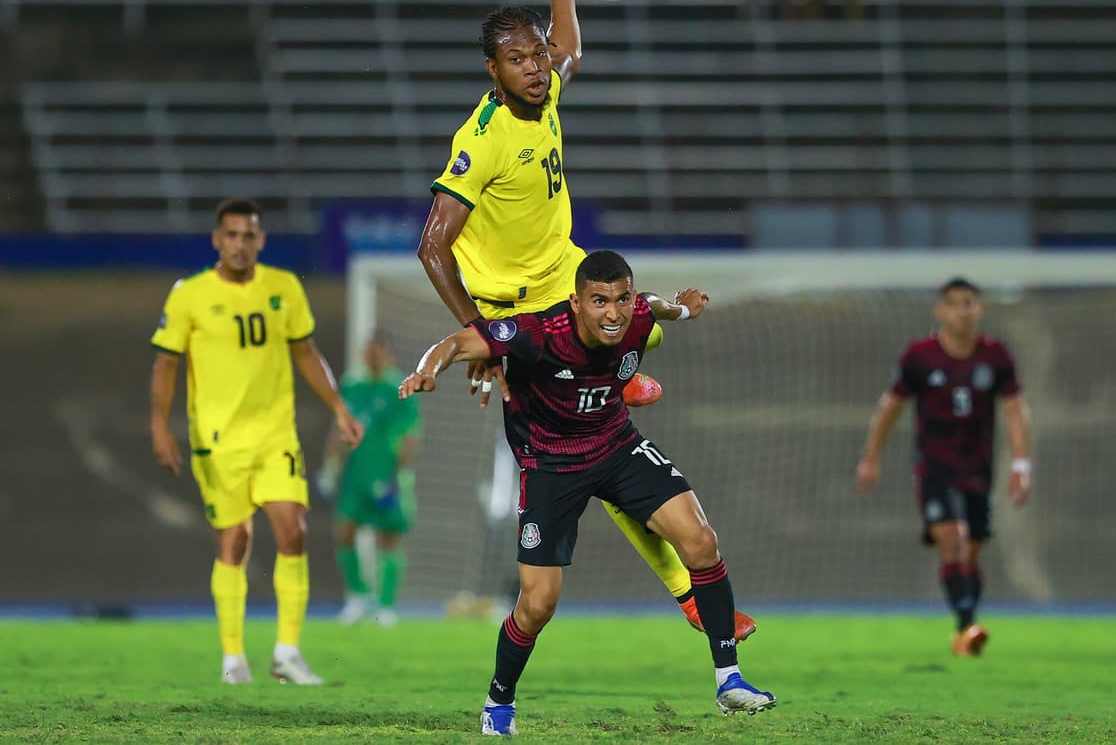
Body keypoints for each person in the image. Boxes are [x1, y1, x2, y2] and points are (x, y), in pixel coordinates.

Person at [417, 0, 755, 643]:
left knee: (646, 323)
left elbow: (571, 47)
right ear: (494, 72)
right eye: (518, 60)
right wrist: (481, 333)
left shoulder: (548, 90)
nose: (536, 68)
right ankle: (688, 597)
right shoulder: (480, 143)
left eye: (536, 55)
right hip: (519, 307)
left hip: (562, 274)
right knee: (593, 455)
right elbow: (431, 246)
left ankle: (614, 378)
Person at [399, 250, 776, 735]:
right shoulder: (537, 335)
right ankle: (498, 702)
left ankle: (730, 680)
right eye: (599, 301)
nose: (613, 313)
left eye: (621, 299)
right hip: (552, 465)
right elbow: (456, 343)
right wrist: (428, 368)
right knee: (538, 605)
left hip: (617, 446)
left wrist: (682, 309)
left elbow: (654, 306)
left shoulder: (637, 316)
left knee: (701, 540)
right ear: (576, 303)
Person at [149, 197, 364, 684]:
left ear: (261, 240)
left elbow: (306, 353)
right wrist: (160, 426)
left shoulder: (283, 288)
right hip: (218, 440)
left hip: (274, 434)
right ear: (216, 240)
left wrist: (339, 408)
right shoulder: (190, 295)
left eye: (249, 236)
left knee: (294, 531)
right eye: (232, 235)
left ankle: (286, 654)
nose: (240, 244)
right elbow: (166, 363)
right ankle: (233, 659)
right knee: (235, 540)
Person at [855, 277, 1032, 657]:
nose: (961, 310)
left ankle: (964, 627)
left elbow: (1015, 409)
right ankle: (968, 627)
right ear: (940, 310)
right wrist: (871, 458)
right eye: (954, 303)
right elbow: (891, 407)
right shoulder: (920, 356)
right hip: (934, 467)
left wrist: (1021, 463)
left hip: (979, 468)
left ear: (979, 309)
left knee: (971, 551)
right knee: (951, 541)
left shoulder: (995, 356)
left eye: (968, 303)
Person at [319, 332, 421, 628]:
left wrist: (399, 473)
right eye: (368, 351)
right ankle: (358, 596)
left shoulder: (398, 387)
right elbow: (339, 428)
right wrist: (330, 467)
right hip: (355, 474)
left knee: (388, 539)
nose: (372, 357)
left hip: (385, 473)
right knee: (344, 532)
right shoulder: (352, 385)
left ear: (387, 354)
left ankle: (386, 606)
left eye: (377, 352)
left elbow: (409, 434)